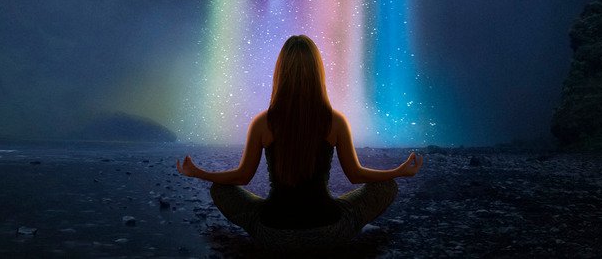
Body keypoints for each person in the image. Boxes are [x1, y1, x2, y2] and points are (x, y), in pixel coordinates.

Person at [176, 35, 423, 251]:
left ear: (280, 72)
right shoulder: (334, 121)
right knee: (386, 186)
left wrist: (199, 173)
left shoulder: (263, 122)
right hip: (330, 231)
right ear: (318, 72)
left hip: (272, 234)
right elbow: (356, 175)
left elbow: (242, 177)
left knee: (220, 188)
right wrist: (398, 172)